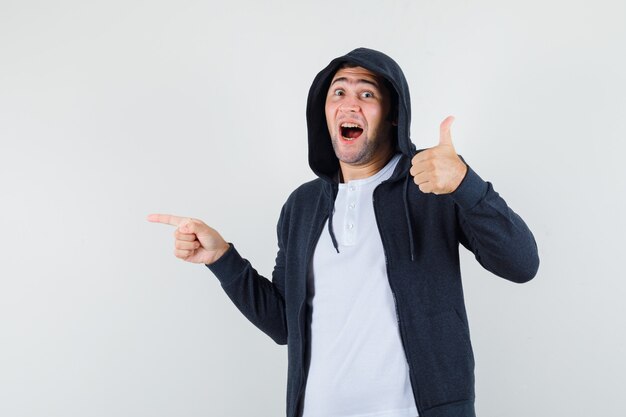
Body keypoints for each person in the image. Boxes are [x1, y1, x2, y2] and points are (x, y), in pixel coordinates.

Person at [148, 48, 539, 417]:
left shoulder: (434, 181)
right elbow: (286, 326)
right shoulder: (302, 205)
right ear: (326, 112)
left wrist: (465, 184)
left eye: (366, 93)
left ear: (393, 115)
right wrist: (222, 259)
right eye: (339, 92)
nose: (349, 104)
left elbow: (522, 263)